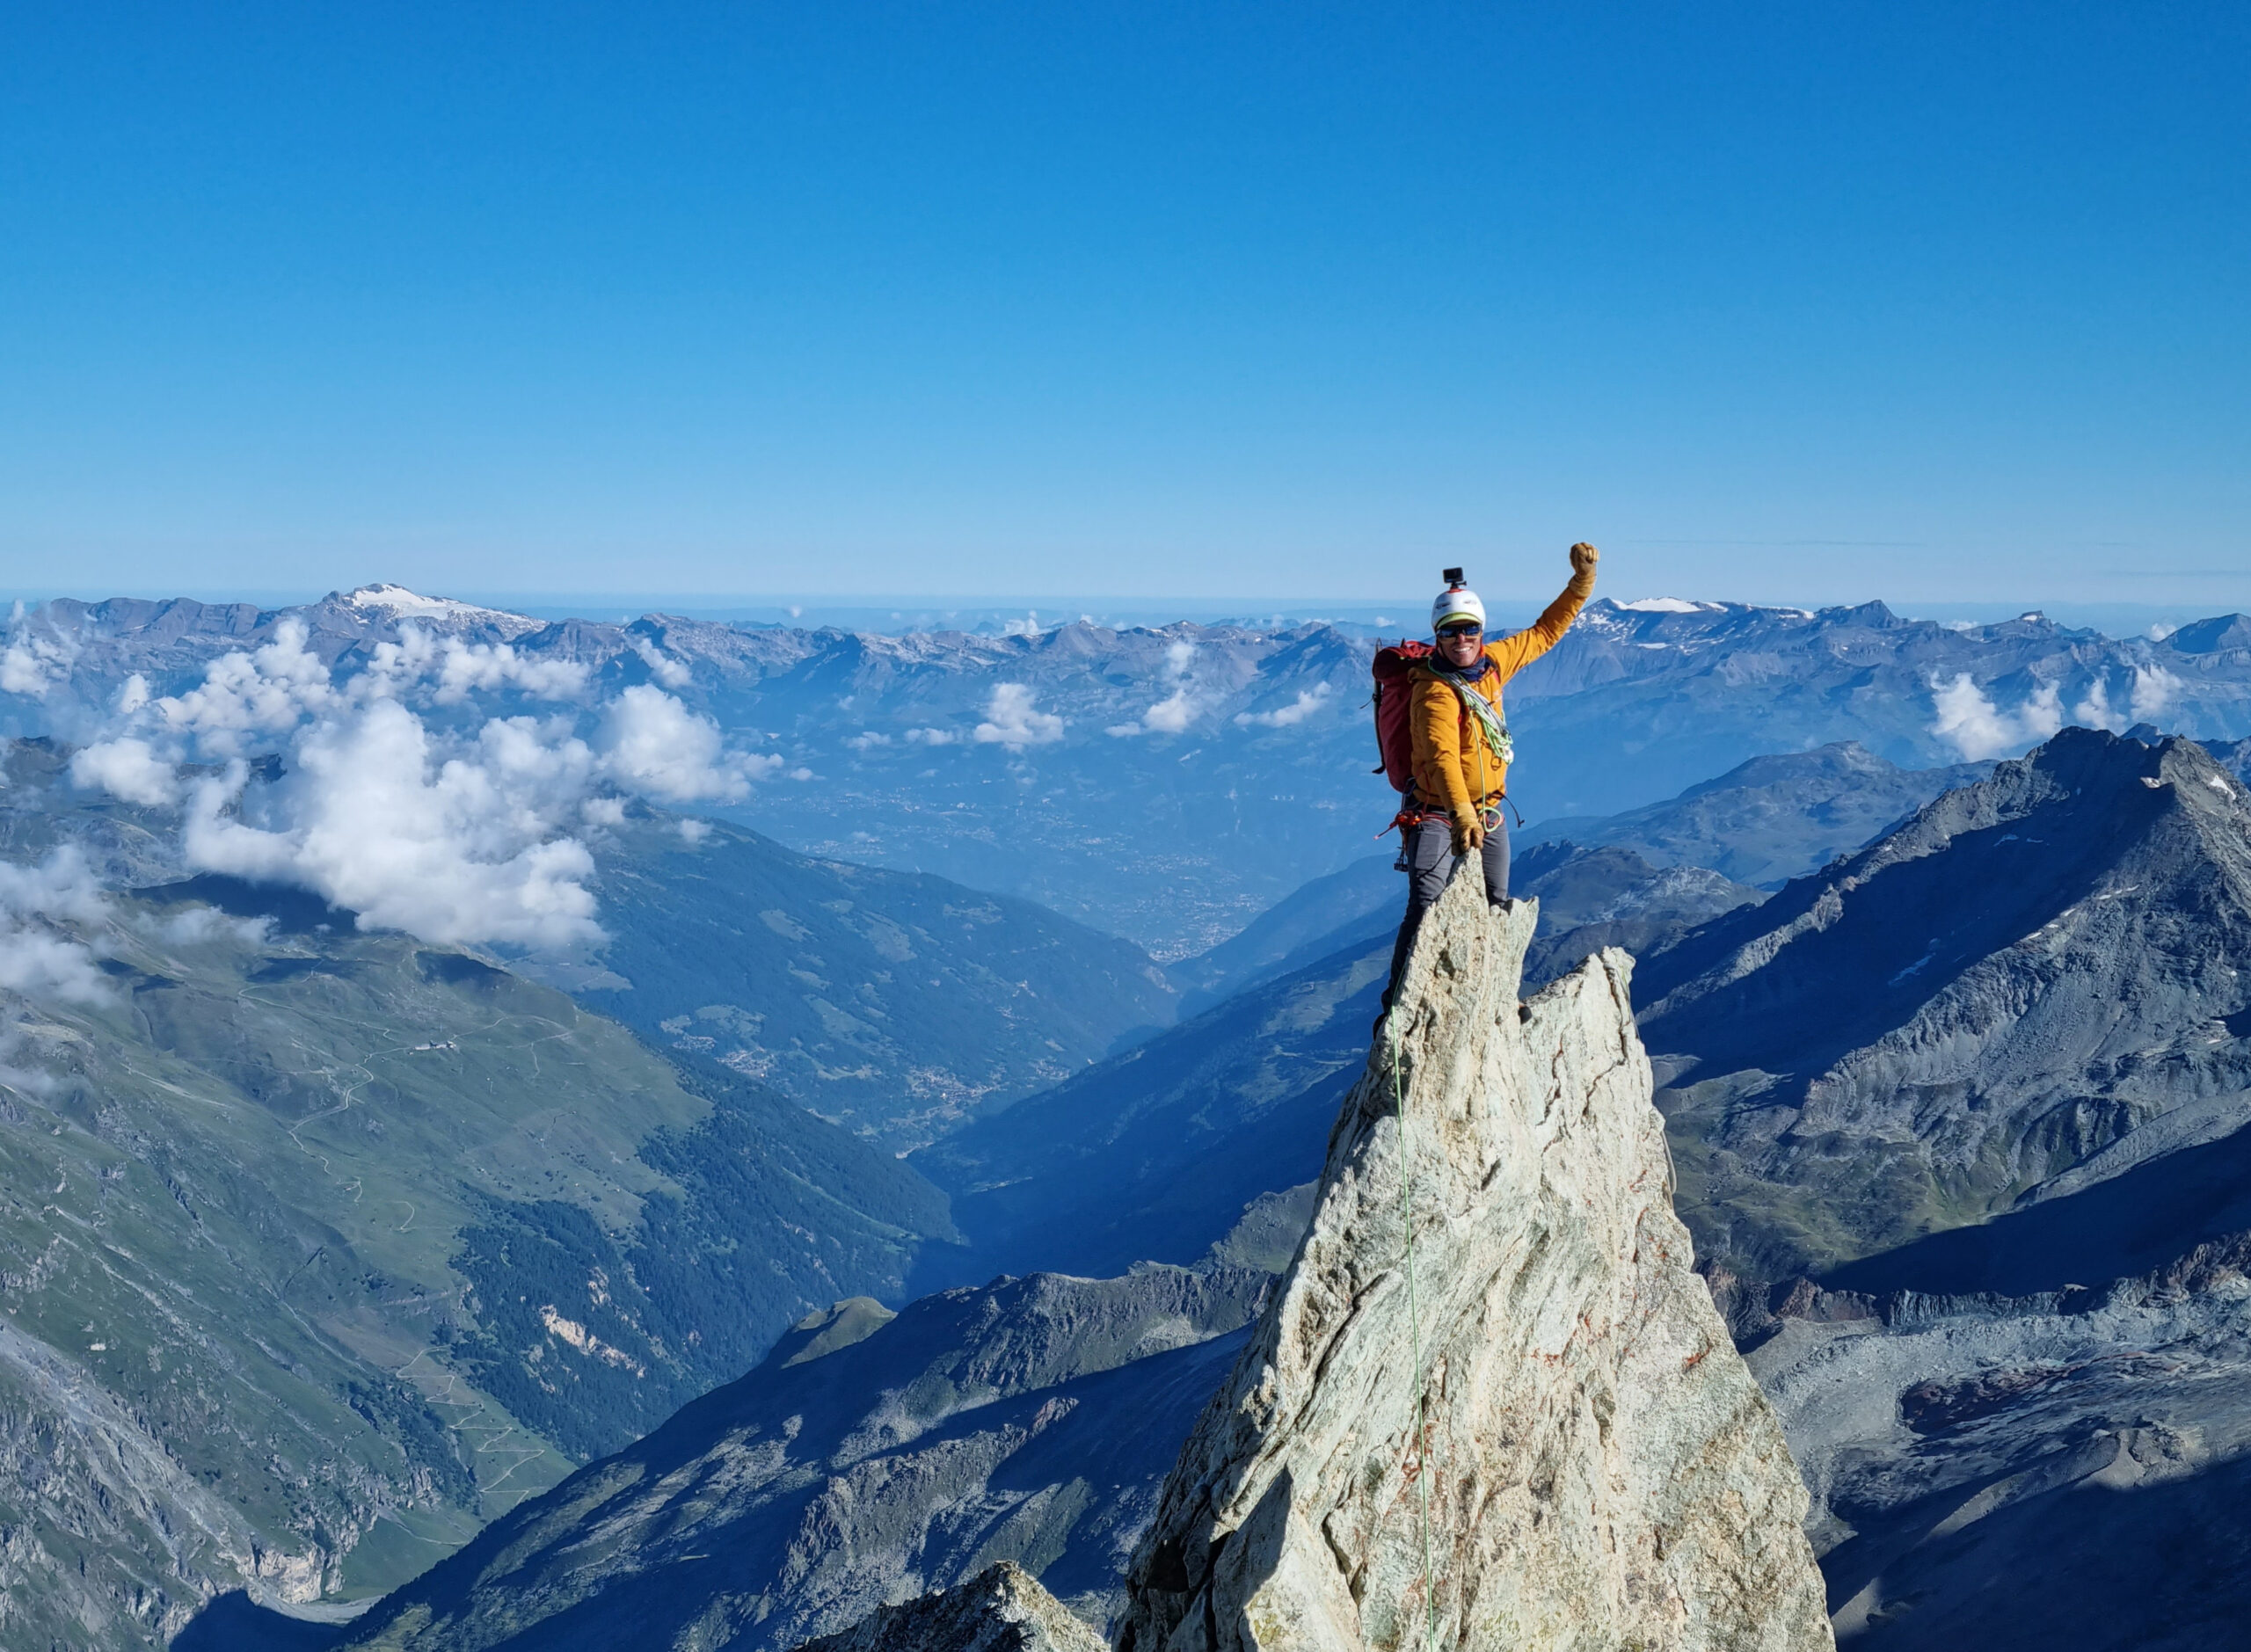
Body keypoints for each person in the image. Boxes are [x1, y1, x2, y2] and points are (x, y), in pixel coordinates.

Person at [1383, 543, 1600, 1008]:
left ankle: (1498, 995)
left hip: (1488, 810)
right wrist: (1462, 815)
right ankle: (1396, 1008)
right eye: (1451, 632)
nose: (1462, 639)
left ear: (1481, 631)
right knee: (1426, 906)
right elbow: (1441, 757)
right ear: (1438, 637)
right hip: (1438, 814)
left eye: (1470, 630)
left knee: (1495, 904)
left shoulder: (1495, 663)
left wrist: (1582, 582)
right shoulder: (1433, 692)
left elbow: (1546, 631)